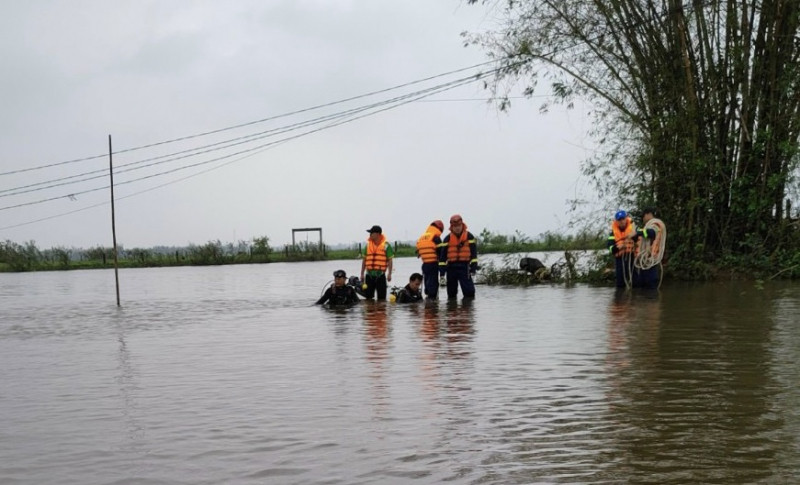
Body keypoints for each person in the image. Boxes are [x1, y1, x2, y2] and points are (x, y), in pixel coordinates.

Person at [438, 214, 478, 299]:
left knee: (469, 293)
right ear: (451, 227)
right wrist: (442, 274)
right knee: (451, 293)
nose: (457, 228)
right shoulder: (447, 239)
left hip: (465, 267)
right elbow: (442, 258)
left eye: (459, 225)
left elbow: (474, 254)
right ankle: (452, 311)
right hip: (451, 267)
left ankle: (467, 309)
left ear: (462, 225)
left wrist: (474, 266)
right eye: (455, 226)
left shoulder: (469, 236)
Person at [633, 207, 666, 289]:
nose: (643, 219)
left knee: (650, 288)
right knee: (641, 286)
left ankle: (651, 300)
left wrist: (637, 232)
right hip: (643, 262)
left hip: (651, 261)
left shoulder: (656, 224)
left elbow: (651, 233)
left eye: (643, 216)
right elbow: (641, 238)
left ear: (648, 214)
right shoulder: (646, 227)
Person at [360, 225, 394, 300]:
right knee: (368, 299)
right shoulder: (367, 246)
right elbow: (364, 261)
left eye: (372, 232)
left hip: (380, 276)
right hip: (369, 275)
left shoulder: (386, 245)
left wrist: (389, 274)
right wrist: (362, 274)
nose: (370, 234)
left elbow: (390, 260)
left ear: (378, 234)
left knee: (382, 299)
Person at [606, 210, 637, 288]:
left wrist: (635, 235)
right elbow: (609, 246)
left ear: (626, 218)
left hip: (632, 258)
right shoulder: (613, 233)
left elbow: (641, 238)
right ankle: (620, 299)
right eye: (619, 220)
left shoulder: (633, 229)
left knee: (636, 282)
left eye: (623, 219)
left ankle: (636, 298)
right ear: (616, 221)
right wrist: (616, 248)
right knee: (620, 283)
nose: (621, 221)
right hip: (620, 260)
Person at [415, 220, 445, 299]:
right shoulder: (435, 237)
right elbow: (441, 252)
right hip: (433, 264)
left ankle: (428, 300)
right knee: (433, 286)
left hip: (425, 264)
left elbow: (418, 251)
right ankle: (432, 305)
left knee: (427, 283)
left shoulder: (421, 238)